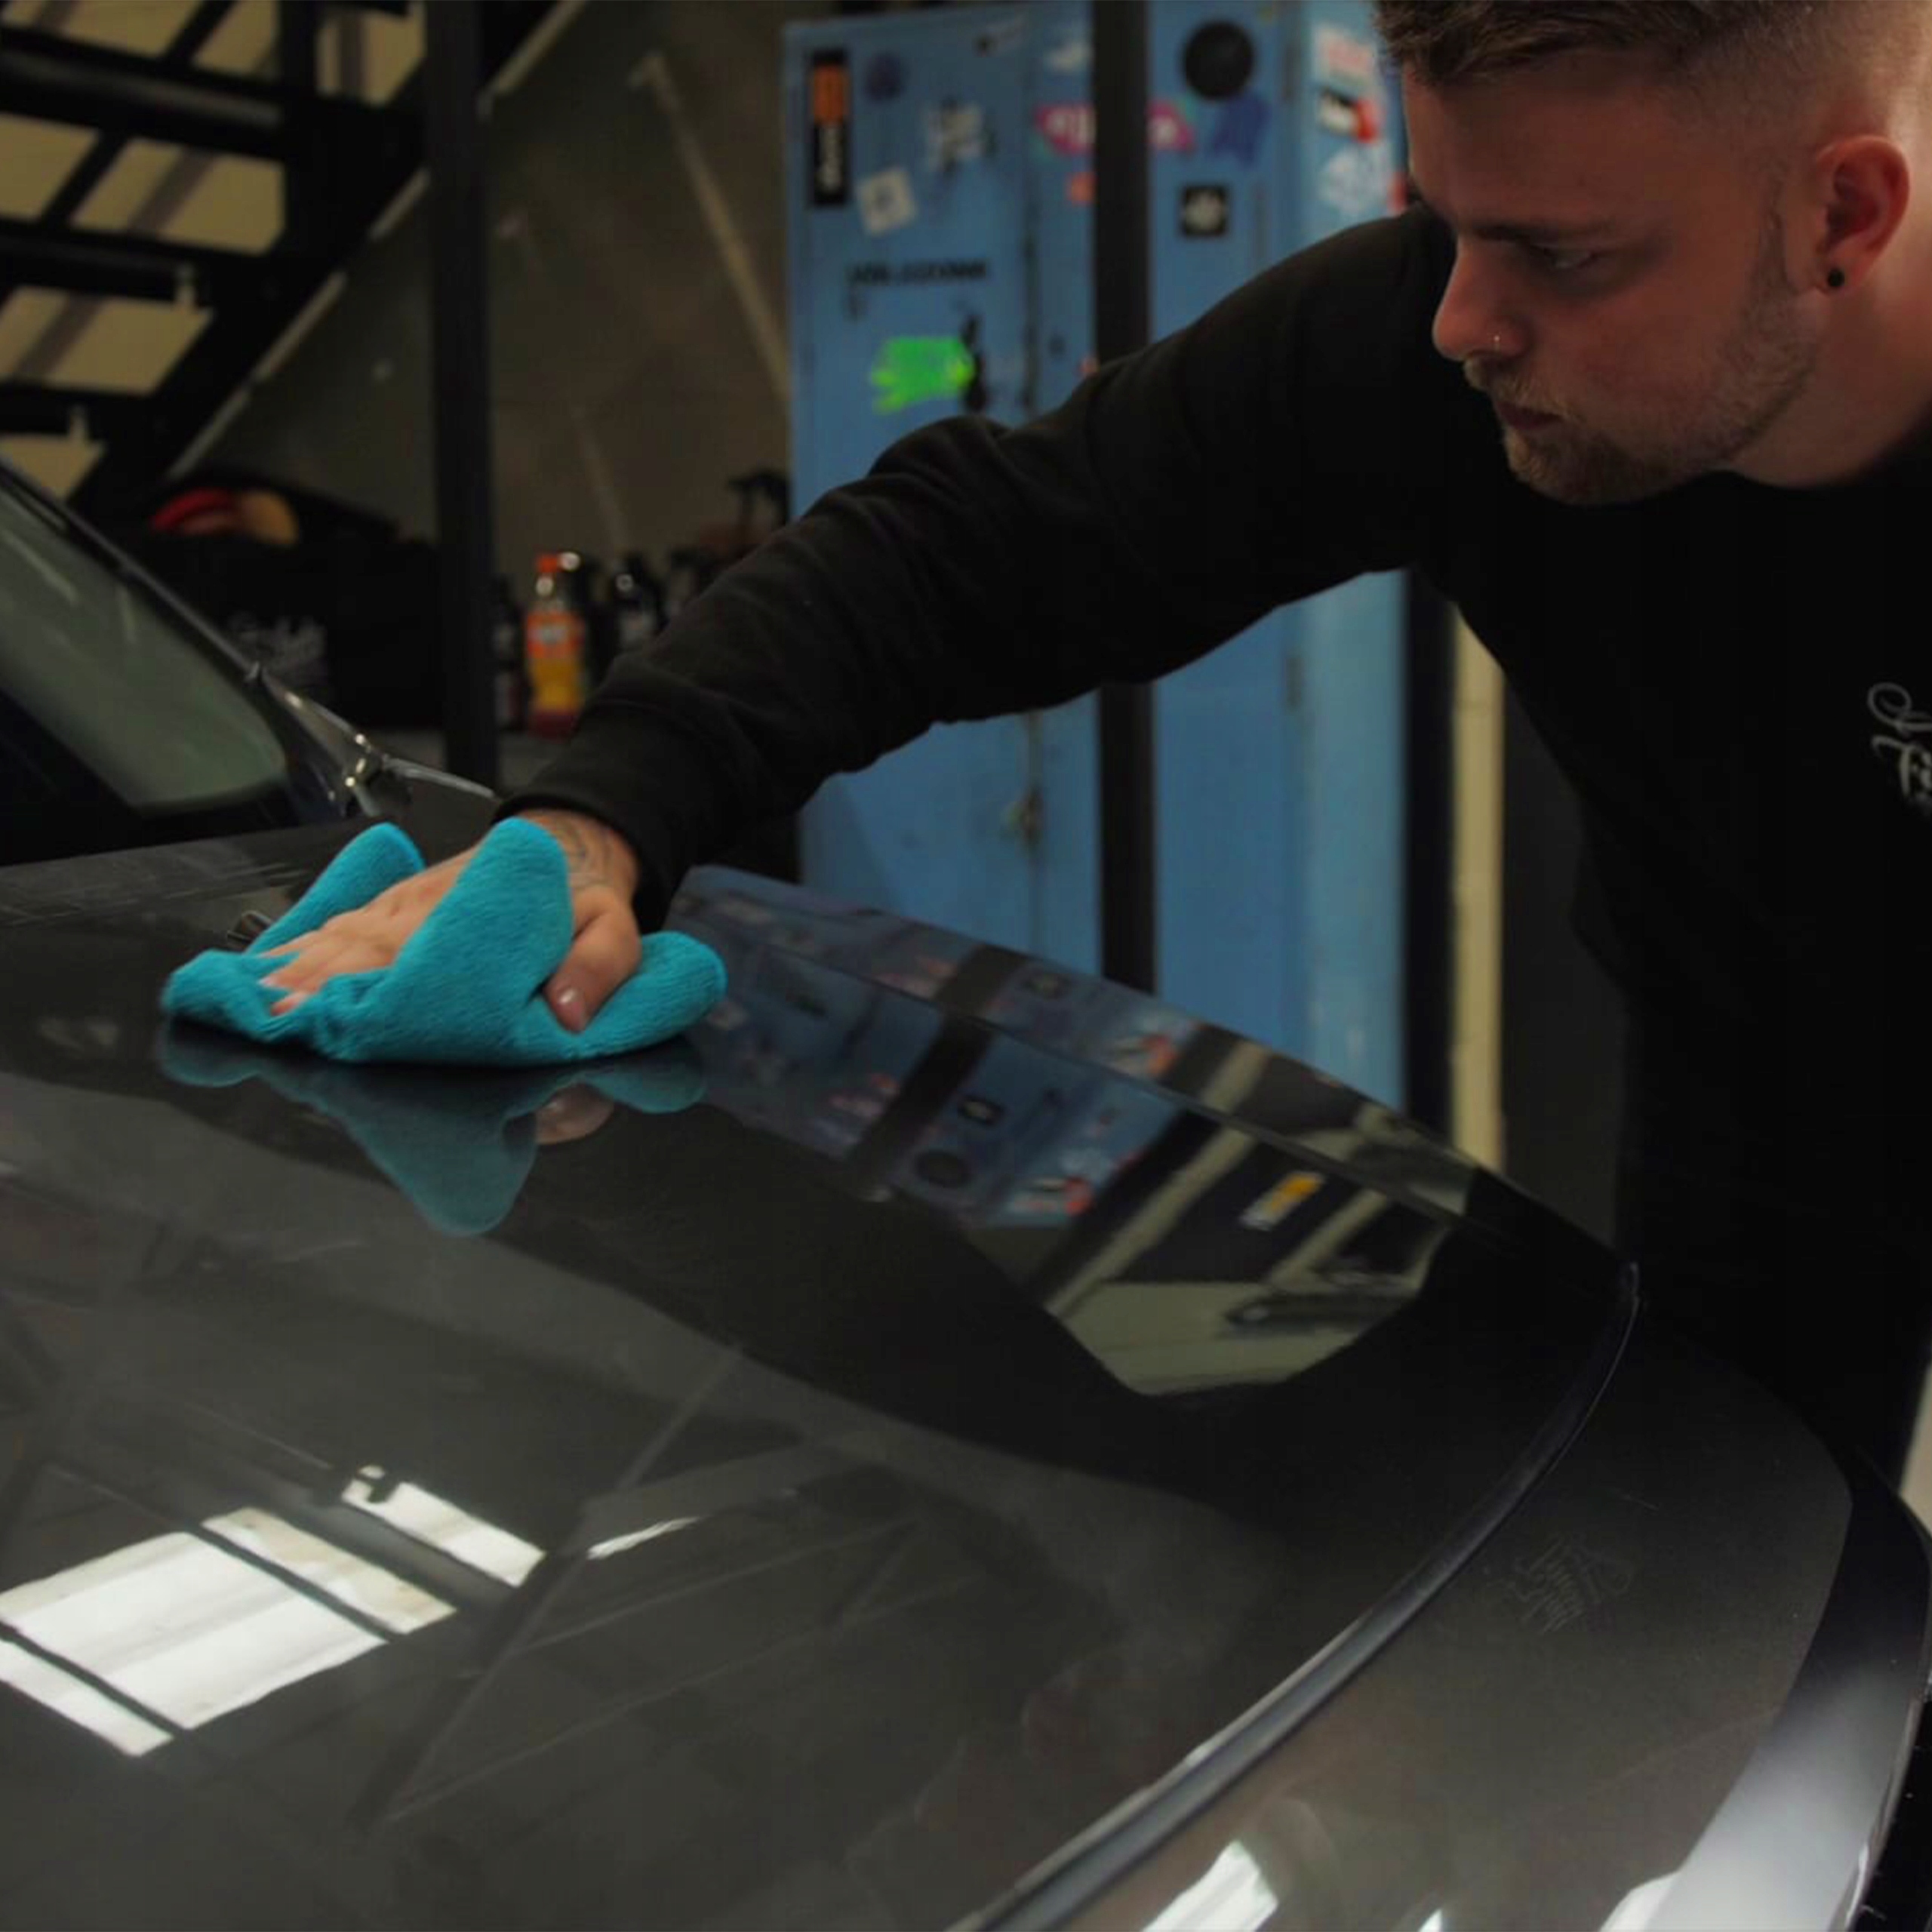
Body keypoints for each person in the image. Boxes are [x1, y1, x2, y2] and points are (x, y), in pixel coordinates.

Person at [261, 0, 1932, 1479]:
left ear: (1840, 214)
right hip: (1756, 1090)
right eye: (1441, 220)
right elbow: (979, 548)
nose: (1460, 322)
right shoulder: (1439, 338)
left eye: (1560, 256)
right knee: (1748, 1583)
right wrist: (600, 821)